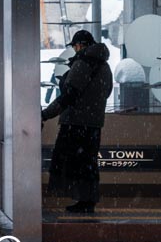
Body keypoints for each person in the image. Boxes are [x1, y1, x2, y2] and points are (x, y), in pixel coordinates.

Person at [41, 29, 112, 214]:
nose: (74, 49)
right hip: (94, 124)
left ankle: (83, 200)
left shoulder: (83, 64)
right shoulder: (105, 66)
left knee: (70, 162)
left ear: (80, 45)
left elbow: (68, 96)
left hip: (76, 123)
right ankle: (87, 200)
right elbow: (106, 92)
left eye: (75, 46)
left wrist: (45, 114)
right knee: (87, 164)